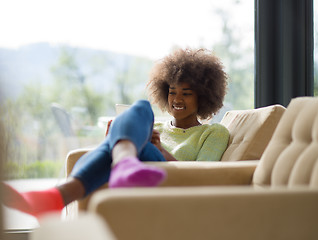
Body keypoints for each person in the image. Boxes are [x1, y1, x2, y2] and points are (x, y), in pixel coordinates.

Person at [1, 48, 229, 218]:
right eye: (171, 92)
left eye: (186, 93)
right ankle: (123, 159)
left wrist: (160, 151)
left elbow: (203, 176)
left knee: (140, 111)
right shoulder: (155, 129)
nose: (176, 99)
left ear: (204, 96)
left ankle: (56, 196)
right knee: (137, 112)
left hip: (170, 182)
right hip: (143, 173)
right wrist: (113, 138)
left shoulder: (213, 132)